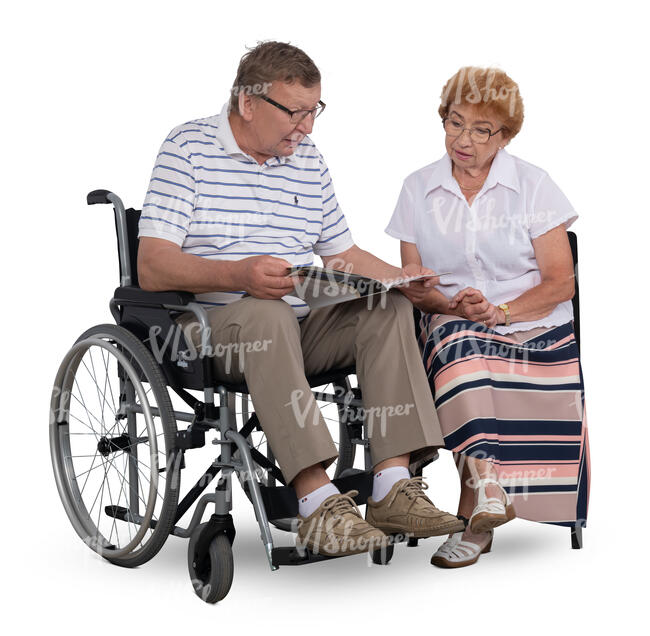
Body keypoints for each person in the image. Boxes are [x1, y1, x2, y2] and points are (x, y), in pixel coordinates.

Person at [137, 41, 464, 557]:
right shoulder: (189, 148)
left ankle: (392, 487)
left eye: (315, 111)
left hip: (295, 327)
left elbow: (342, 254)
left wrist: (405, 280)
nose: (307, 127)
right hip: (209, 327)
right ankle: (315, 503)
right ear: (248, 104)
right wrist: (238, 273)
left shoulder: (306, 158)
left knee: (387, 308)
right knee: (266, 314)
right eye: (295, 112)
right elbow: (152, 264)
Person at [387, 66, 589, 568]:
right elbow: (412, 281)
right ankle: (488, 494)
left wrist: (500, 312)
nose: (464, 139)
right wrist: (448, 304)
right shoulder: (418, 189)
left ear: (505, 136)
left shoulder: (533, 185)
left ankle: (475, 509)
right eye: (455, 123)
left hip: (533, 324)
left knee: (471, 355)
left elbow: (561, 281)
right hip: (449, 324)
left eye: (482, 130)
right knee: (461, 348)